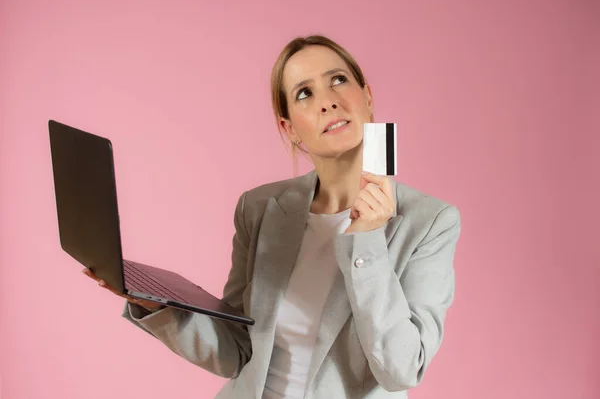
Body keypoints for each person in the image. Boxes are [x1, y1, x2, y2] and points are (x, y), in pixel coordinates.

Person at [84, 34, 462, 399]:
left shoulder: (429, 222)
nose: (327, 102)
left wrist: (367, 241)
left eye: (338, 80)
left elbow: (401, 370)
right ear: (290, 129)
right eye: (305, 93)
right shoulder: (260, 208)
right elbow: (236, 350)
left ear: (366, 97)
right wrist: (155, 303)